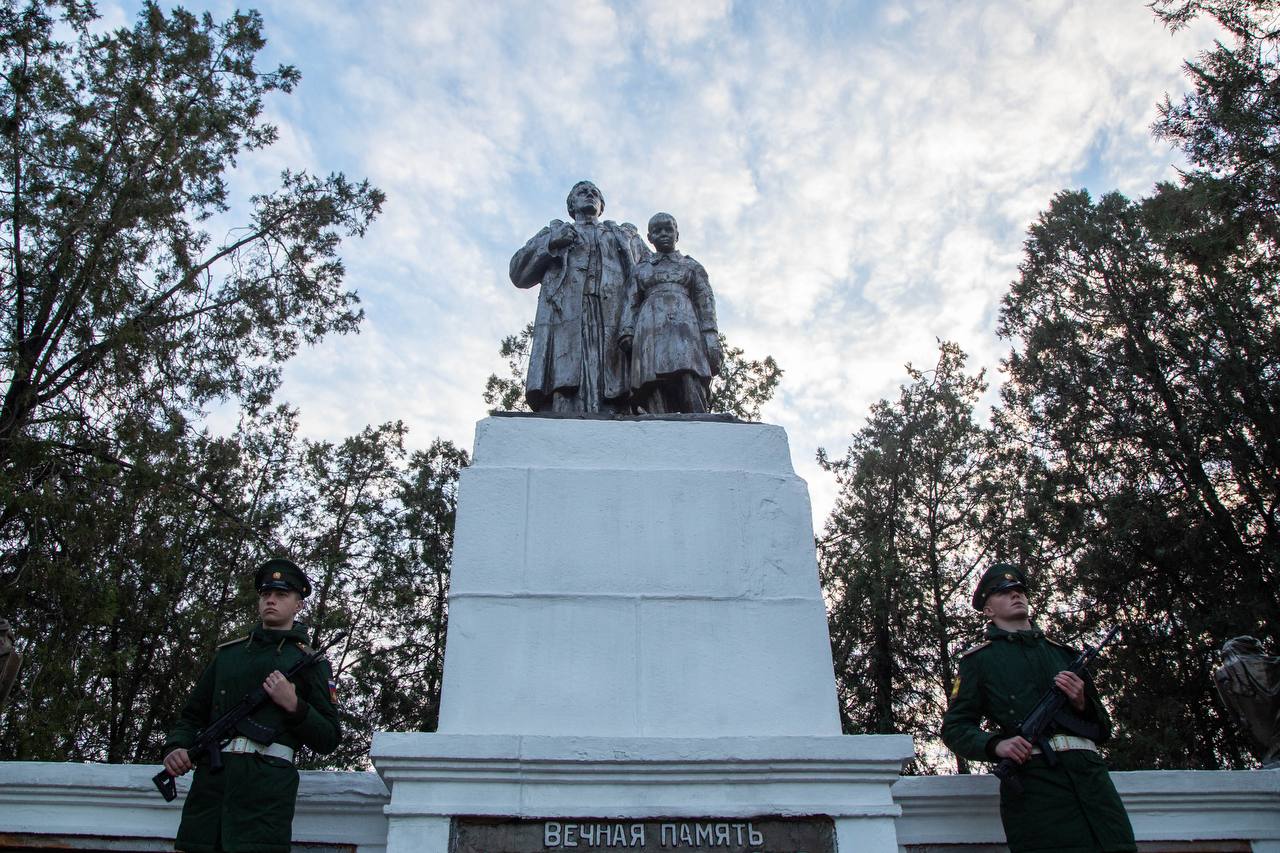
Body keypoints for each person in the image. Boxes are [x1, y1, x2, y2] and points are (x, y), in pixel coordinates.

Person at [942, 563, 1136, 853]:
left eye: (1020, 590)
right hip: (1037, 789)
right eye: (1003, 592)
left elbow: (1103, 729)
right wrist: (997, 745)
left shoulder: (1064, 654)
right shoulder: (980, 662)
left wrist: (1081, 702)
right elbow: (955, 728)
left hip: (1093, 786)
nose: (1015, 595)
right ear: (988, 610)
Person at [161, 558, 341, 853]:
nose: (271, 600)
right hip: (210, 793)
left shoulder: (310, 663)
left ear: (298, 605)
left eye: (281, 595)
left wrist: (295, 705)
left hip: (265, 798)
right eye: (266, 594)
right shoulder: (229, 656)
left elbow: (329, 737)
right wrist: (176, 747)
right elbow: (192, 715)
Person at [509, 180, 651, 413]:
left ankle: (616, 409)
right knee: (567, 373)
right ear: (571, 204)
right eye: (582, 192)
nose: (589, 195)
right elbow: (518, 272)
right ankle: (563, 408)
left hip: (612, 315)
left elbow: (650, 271)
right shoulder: (554, 232)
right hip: (566, 314)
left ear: (602, 206)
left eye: (595, 193)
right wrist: (552, 243)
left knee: (614, 376)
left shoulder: (622, 235)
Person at [619, 213, 721, 414]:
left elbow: (705, 301)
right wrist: (627, 330)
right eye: (657, 231)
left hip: (685, 326)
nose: (663, 234)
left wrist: (710, 334)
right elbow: (630, 300)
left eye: (668, 229)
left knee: (688, 371)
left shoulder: (691, 265)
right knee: (652, 378)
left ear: (677, 234)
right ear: (649, 238)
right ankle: (657, 415)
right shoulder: (641, 269)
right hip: (649, 327)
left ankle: (698, 416)